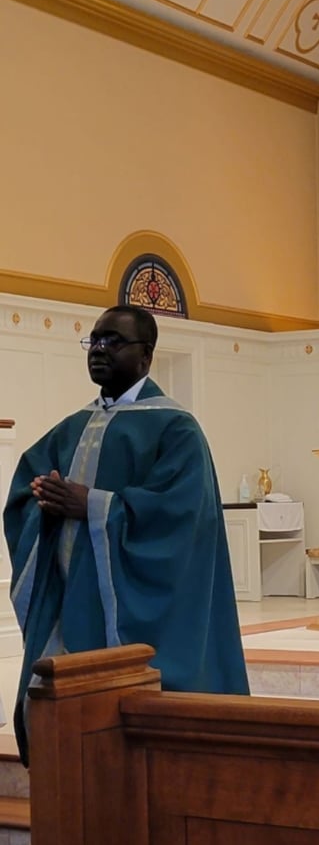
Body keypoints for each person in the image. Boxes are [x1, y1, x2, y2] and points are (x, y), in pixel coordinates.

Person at [4, 305, 249, 766]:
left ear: (146, 355)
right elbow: (25, 494)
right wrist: (44, 502)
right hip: (72, 606)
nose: (99, 350)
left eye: (113, 341)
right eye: (94, 341)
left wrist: (93, 506)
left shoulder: (177, 429)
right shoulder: (71, 428)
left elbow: (182, 518)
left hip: (136, 611)